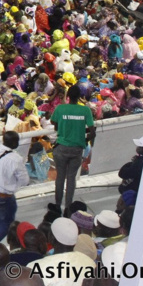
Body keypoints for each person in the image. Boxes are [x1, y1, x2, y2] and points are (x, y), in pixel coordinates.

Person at [49, 84, 96, 217]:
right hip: (77, 149)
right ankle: (68, 208)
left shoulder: (60, 108)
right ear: (80, 97)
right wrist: (82, 140)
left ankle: (57, 206)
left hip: (61, 148)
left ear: (68, 96)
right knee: (71, 179)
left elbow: (55, 124)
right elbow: (92, 132)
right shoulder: (85, 110)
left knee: (60, 177)